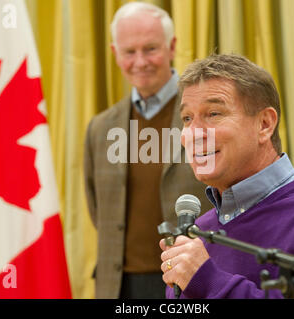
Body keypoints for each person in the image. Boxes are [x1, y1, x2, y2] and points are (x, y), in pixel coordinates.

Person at [159, 54, 294, 299]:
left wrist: (210, 282)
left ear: (264, 124)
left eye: (213, 114)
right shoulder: (199, 232)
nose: (194, 134)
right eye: (187, 118)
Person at [84, 2, 211, 299]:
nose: (140, 62)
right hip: (119, 286)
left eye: (151, 49)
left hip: (195, 280)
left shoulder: (209, 115)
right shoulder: (100, 128)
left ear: (172, 47)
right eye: (130, 52)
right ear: (115, 54)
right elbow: (96, 209)